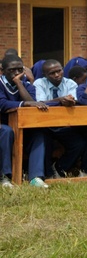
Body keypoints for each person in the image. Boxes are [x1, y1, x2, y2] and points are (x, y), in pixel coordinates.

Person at [0, 55, 48, 188]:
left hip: (22, 125)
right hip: (3, 125)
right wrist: (25, 103)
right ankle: (5, 178)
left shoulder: (27, 85)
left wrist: (18, 83)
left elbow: (33, 103)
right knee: (6, 131)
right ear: (2, 70)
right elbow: (3, 104)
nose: (16, 73)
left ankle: (35, 177)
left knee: (38, 134)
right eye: (12, 70)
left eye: (19, 69)